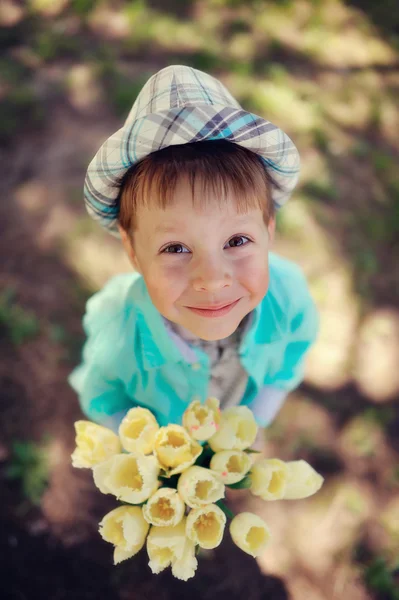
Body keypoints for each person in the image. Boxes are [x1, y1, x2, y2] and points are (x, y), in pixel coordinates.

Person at [68, 64, 319, 434]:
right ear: (133, 250)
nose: (212, 279)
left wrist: (255, 421)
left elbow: (290, 358)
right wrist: (150, 455)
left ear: (269, 232)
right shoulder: (120, 333)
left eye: (236, 241)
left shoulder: (289, 299)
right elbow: (102, 397)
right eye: (175, 248)